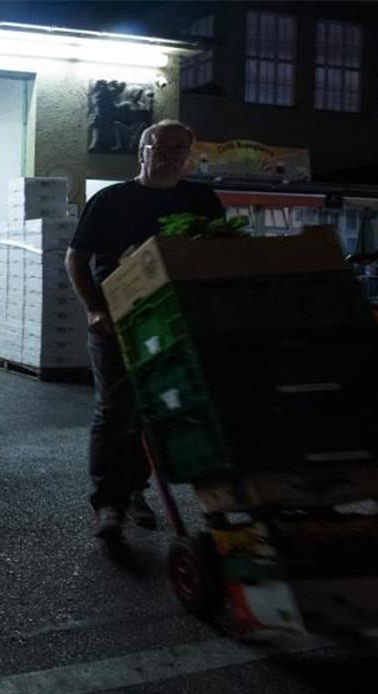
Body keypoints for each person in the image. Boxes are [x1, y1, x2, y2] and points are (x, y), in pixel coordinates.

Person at [65, 119, 224, 540]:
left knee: (158, 408)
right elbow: (75, 259)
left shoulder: (202, 200)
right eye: (162, 146)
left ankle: (136, 492)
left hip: (175, 320)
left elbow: (215, 256)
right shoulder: (111, 200)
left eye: (180, 147)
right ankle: (107, 504)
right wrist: (94, 310)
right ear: (142, 151)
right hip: (116, 321)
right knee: (114, 411)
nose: (171, 154)